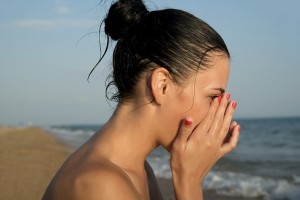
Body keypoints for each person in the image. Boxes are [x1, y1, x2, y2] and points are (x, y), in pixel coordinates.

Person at [43, 0, 240, 199]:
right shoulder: (100, 186)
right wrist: (189, 183)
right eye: (213, 97)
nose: (218, 112)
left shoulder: (137, 169)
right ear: (162, 85)